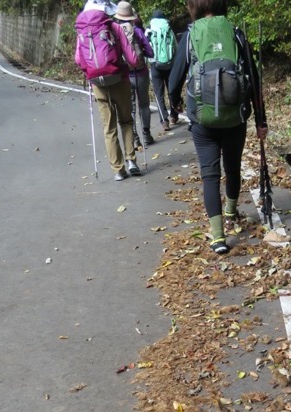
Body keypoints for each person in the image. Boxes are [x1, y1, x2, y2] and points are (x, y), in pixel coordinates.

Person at [168, 0, 267, 254]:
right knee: (232, 168)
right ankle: (231, 212)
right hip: (236, 116)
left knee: (209, 175)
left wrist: (175, 103)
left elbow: (174, 80)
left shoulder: (190, 35)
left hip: (202, 120)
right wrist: (261, 121)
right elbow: (254, 81)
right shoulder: (235, 33)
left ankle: (218, 237)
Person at [75, 0, 142, 180]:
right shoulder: (115, 27)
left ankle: (118, 170)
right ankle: (131, 160)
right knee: (126, 121)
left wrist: (90, 73)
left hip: (97, 83)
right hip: (119, 78)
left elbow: (79, 60)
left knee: (109, 127)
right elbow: (132, 59)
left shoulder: (82, 30)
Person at [113, 1, 155, 149]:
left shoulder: (115, 31)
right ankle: (147, 134)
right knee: (144, 104)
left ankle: (135, 138)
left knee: (130, 108)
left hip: (124, 75)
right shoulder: (137, 31)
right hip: (141, 73)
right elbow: (150, 52)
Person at [146, 11, 179, 130]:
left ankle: (164, 121)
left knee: (159, 94)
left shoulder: (149, 30)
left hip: (155, 66)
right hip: (170, 65)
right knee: (172, 90)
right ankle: (174, 116)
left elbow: (145, 49)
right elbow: (176, 47)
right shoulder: (168, 29)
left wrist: (148, 64)